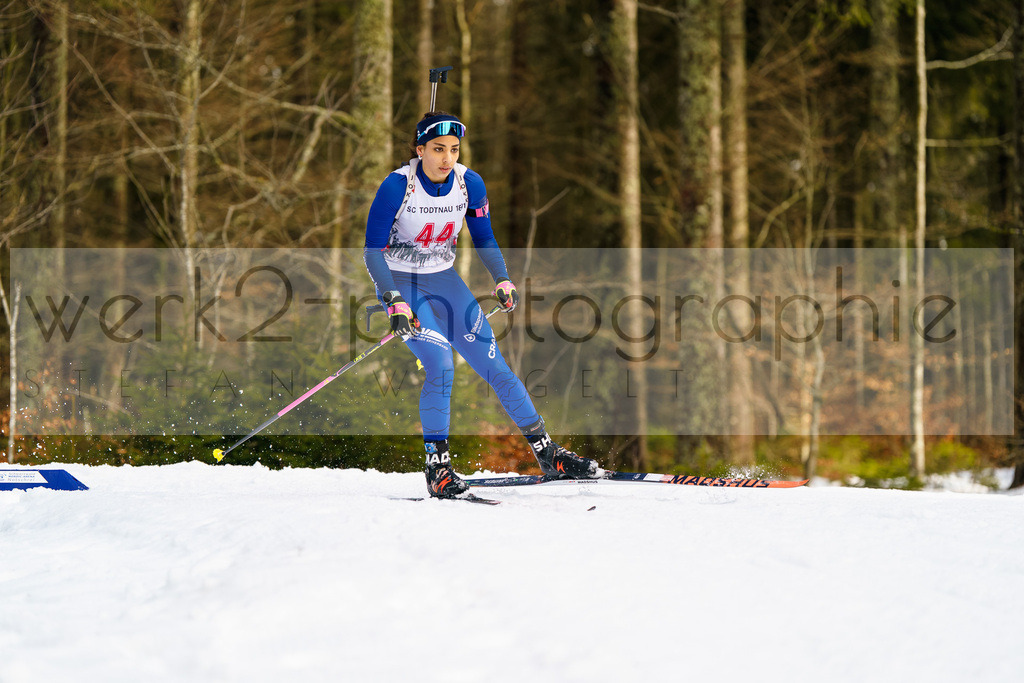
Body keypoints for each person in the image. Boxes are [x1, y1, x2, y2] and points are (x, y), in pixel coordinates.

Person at [363, 111, 601, 498]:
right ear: (420, 150)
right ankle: (437, 469)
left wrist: (502, 278)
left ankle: (548, 454)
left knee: (496, 367)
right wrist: (393, 302)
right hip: (403, 284)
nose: (447, 158)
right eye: (437, 149)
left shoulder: (469, 183)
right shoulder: (397, 186)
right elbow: (372, 252)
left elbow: (484, 237)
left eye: (454, 149)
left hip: (445, 281)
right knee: (441, 366)